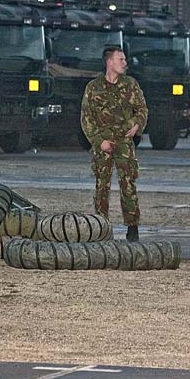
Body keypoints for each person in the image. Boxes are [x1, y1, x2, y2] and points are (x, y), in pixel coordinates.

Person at [81, 46, 148, 242]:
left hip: (124, 142)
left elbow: (142, 109)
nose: (125, 63)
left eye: (125, 59)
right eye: (121, 59)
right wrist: (98, 141)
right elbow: (86, 118)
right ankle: (101, 227)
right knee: (102, 186)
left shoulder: (131, 85)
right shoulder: (93, 87)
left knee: (128, 183)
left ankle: (132, 227)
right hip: (103, 142)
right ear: (109, 62)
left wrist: (137, 126)